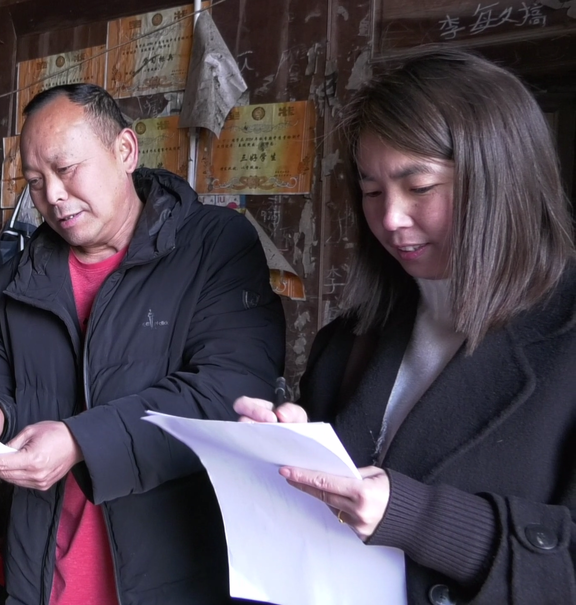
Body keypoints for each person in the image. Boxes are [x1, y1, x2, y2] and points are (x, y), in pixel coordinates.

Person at [235, 49, 576, 604]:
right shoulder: (349, 337)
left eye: (419, 188)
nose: (390, 218)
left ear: (502, 178)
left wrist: (419, 518)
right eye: (371, 191)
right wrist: (290, 452)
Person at [0, 83, 286, 605]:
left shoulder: (213, 247)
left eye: (66, 170)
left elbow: (230, 391)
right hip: (44, 564)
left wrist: (80, 440)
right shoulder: (24, 271)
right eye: (37, 182)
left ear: (125, 151)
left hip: (171, 569)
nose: (54, 196)